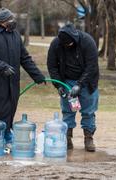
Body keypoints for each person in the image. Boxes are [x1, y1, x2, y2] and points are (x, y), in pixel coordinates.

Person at [0, 8, 45, 149]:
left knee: (9, 110)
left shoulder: (15, 35)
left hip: (11, 83)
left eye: (12, 18)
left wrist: (37, 75)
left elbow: (25, 58)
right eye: (9, 20)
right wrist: (2, 67)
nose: (12, 21)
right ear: (1, 22)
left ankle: (7, 135)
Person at [47, 23, 99, 152]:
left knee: (88, 111)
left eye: (69, 44)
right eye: (64, 44)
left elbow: (91, 66)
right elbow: (52, 66)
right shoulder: (56, 44)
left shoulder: (87, 41)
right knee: (68, 110)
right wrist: (58, 85)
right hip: (67, 81)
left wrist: (80, 85)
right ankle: (67, 138)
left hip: (87, 82)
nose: (67, 46)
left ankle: (88, 138)